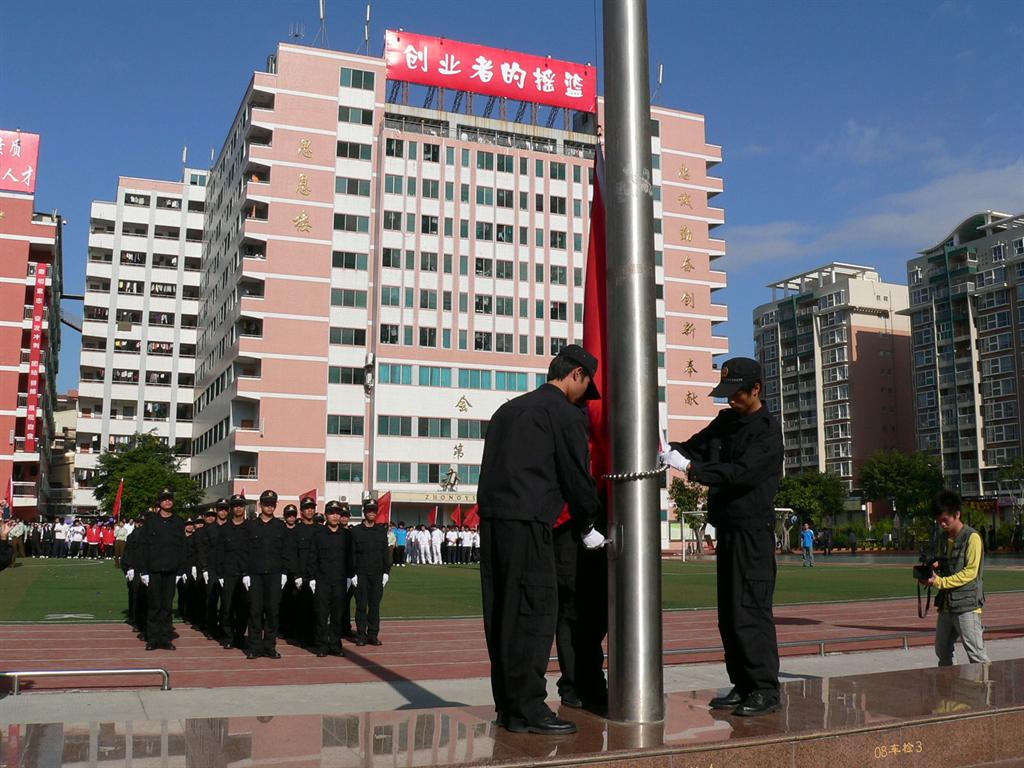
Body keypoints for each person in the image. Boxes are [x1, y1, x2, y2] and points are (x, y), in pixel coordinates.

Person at [477, 344, 605, 735]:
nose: (583, 397)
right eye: (585, 388)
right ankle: (530, 708)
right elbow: (575, 475)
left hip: (494, 523)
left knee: (502, 616)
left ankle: (509, 708)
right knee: (534, 614)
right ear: (577, 374)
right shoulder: (563, 414)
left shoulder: (508, 410)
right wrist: (589, 521)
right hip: (530, 524)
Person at [662, 357, 784, 717]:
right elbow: (694, 446)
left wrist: (691, 469)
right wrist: (668, 450)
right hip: (728, 530)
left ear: (756, 389)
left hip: (752, 533)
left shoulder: (767, 432)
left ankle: (764, 688)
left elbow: (739, 474)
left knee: (751, 611)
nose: (730, 399)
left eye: (737, 393)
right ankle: (742, 683)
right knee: (730, 613)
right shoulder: (726, 422)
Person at [920, 490, 989, 666]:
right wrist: (934, 567)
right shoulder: (944, 538)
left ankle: (986, 682)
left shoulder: (972, 537)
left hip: (966, 605)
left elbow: (970, 572)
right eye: (939, 520)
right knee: (942, 652)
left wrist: (940, 581)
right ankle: (949, 684)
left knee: (976, 655)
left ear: (957, 514)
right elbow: (948, 565)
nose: (942, 524)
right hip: (946, 604)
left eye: (945, 520)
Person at [137, 489, 187, 650]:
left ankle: (165, 638)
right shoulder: (151, 522)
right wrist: (143, 571)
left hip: (171, 571)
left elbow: (182, 548)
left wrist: (180, 571)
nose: (167, 501)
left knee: (167, 606)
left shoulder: (178, 522)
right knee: (154, 606)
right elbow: (144, 547)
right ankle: (153, 639)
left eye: (170, 499)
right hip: (154, 570)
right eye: (164, 499)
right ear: (159, 502)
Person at [244, 489, 290, 659]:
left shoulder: (280, 526)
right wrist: (245, 573)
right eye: (266, 503)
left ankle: (269, 646)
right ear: (260, 505)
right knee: (255, 612)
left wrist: (284, 572)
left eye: (272, 504)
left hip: (274, 575)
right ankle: (254, 647)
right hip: (255, 575)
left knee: (272, 612)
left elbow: (286, 551)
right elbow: (245, 551)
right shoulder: (250, 526)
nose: (269, 507)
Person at [309, 500, 355, 657]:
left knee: (337, 615)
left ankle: (335, 644)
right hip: (322, 581)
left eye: (337, 513)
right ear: (326, 515)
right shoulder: (318, 535)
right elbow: (313, 557)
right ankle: (321, 645)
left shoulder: (347, 535)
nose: (335, 516)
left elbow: (350, 558)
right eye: (331, 513)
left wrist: (350, 577)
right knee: (321, 615)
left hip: (340, 581)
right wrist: (312, 578)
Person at [350, 496, 390, 646]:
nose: (371, 513)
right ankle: (361, 634)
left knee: (374, 606)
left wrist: (386, 572)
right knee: (361, 606)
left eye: (374, 510)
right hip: (361, 574)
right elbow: (352, 554)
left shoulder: (381, 531)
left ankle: (373, 634)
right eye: (369, 510)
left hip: (377, 574)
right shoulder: (356, 531)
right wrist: (352, 573)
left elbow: (385, 553)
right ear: (364, 512)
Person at [217, 495, 250, 650]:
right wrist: (220, 574)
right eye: (235, 506)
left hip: (245, 574)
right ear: (231, 508)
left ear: (244, 507)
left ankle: (240, 636)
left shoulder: (250, 528)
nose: (238, 508)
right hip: (229, 573)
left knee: (243, 608)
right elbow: (219, 553)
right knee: (227, 607)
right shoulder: (224, 529)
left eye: (241, 505)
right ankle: (229, 636)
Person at [197, 501, 227, 640]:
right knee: (212, 600)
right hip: (212, 569)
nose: (223, 512)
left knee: (227, 601)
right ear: (217, 510)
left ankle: (224, 628)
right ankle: (211, 628)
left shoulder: (231, 527)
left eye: (225, 509)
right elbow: (202, 550)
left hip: (227, 569)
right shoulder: (208, 529)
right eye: (220, 509)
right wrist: (204, 568)